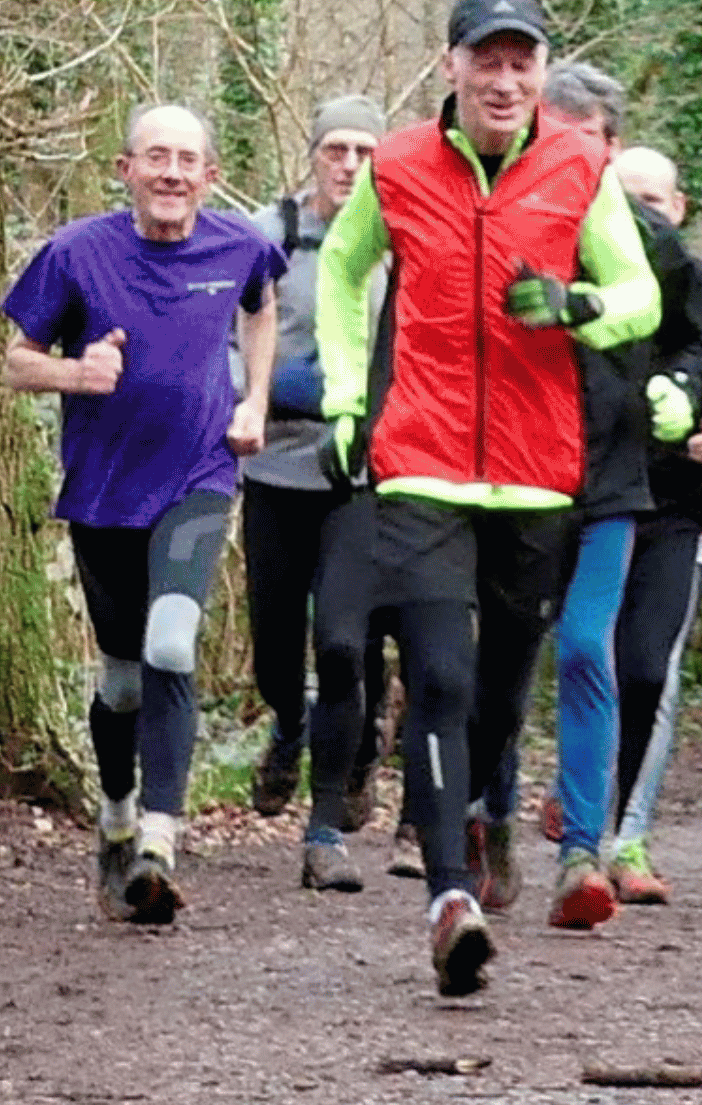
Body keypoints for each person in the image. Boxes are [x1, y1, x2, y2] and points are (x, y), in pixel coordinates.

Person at [313, 0, 661, 996]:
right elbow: (341, 271)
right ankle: (449, 900)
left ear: (543, 70)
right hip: (418, 455)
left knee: (502, 693)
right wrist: (346, 396)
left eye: (523, 61)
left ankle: (480, 807)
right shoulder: (402, 167)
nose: (504, 80)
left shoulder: (579, 167)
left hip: (537, 470)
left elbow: (638, 295)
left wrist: (576, 305)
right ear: (451, 67)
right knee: (440, 678)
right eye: (486, 60)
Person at [0, 103, 284, 926]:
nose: (171, 173)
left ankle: (161, 837)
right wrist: (75, 376)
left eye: (187, 160)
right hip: (102, 491)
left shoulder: (240, 246)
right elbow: (17, 364)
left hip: (199, 476)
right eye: (155, 157)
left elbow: (261, 304)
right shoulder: (76, 253)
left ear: (210, 175)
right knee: (123, 679)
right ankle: (118, 816)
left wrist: (254, 399)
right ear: (125, 169)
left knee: (170, 643)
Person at [487, 64, 702, 931]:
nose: (571, 155)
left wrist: (689, 394)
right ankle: (492, 813)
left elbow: (696, 336)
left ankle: (584, 849)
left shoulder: (657, 250)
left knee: (587, 649)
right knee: (500, 663)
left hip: (612, 478)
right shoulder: (502, 225)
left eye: (589, 141)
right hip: (508, 477)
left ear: (610, 151)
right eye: (557, 134)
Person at [238, 95, 392, 893]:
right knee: (274, 652)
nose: (350, 165)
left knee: (341, 645)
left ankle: (325, 825)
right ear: (312, 156)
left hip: (358, 478)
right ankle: (289, 724)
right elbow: (226, 331)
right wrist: (259, 396)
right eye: (336, 149)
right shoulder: (268, 234)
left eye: (366, 151)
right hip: (273, 467)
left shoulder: (397, 242)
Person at [593, 144, 702, 905]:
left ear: (680, 208)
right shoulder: (583, 283)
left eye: (655, 202)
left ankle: (622, 832)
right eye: (626, 200)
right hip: (579, 504)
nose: (642, 216)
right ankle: (561, 822)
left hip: (673, 509)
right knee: (576, 661)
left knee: (649, 670)